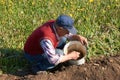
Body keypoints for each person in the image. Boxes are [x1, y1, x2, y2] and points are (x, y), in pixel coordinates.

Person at [24, 15, 88, 74]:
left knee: (63, 39)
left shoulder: (55, 24)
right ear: (60, 29)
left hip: (43, 46)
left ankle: (61, 56)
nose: (69, 32)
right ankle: (38, 67)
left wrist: (75, 36)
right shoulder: (47, 38)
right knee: (60, 53)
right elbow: (53, 60)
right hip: (33, 54)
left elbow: (66, 34)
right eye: (68, 31)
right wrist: (70, 56)